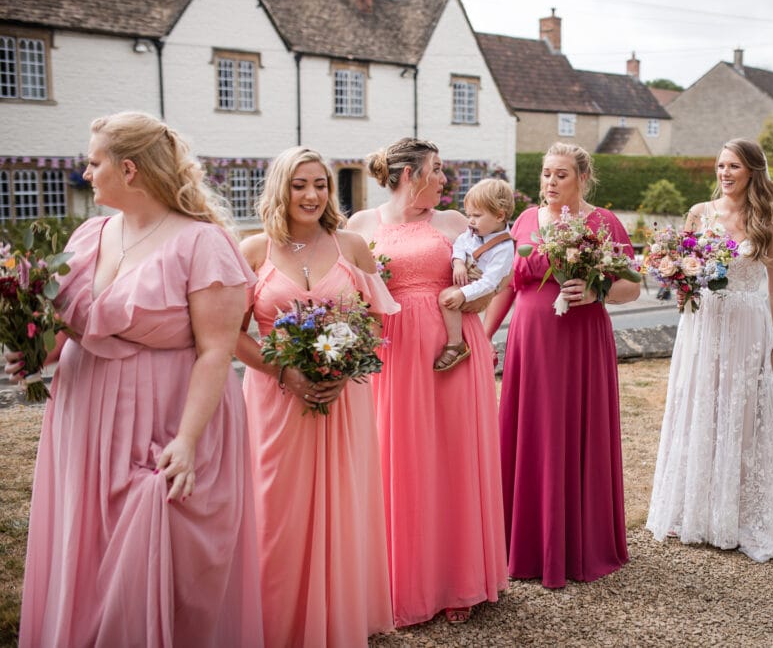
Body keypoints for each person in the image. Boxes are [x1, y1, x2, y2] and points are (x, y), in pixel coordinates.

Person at [5, 112, 264, 646]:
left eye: (93, 162)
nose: (85, 172)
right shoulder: (89, 233)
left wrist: (188, 441)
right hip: (83, 414)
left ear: (129, 170)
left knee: (160, 552)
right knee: (89, 542)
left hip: (168, 416)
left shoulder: (203, 243)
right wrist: (39, 353)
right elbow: (76, 321)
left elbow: (217, 351)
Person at [234, 146, 397, 646]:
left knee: (341, 509)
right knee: (273, 512)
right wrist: (285, 372)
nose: (311, 194)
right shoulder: (253, 251)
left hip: (342, 401)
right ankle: (272, 624)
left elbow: (374, 321)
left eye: (320, 184)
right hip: (272, 400)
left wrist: (345, 372)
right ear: (280, 189)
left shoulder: (352, 246)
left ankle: (333, 621)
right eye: (299, 184)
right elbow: (232, 334)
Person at [346, 137, 507, 626]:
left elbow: (491, 284)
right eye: (436, 170)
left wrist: (473, 299)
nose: (445, 179)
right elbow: (348, 292)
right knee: (399, 459)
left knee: (456, 457)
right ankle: (400, 581)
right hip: (392, 354)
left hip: (453, 351)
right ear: (409, 173)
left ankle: (459, 581)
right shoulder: (360, 226)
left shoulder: (457, 224)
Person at [645, 137, 773, 562]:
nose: (725, 173)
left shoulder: (770, 220)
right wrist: (675, 279)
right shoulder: (699, 214)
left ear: (752, 172)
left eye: (734, 167)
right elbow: (677, 270)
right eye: (721, 165)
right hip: (702, 326)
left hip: (747, 325)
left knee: (741, 416)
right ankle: (694, 511)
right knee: (699, 408)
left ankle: (737, 517)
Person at [483, 142, 640, 589]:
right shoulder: (527, 219)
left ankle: (574, 545)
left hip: (579, 343)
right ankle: (524, 542)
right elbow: (508, 286)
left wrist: (597, 292)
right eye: (546, 174)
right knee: (528, 431)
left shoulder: (603, 222)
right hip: (529, 343)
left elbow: (632, 285)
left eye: (561, 175)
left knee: (572, 431)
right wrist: (485, 332)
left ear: (582, 178)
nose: (550, 183)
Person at [434, 178, 515, 372]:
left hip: (478, 287)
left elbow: (490, 282)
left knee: (446, 299)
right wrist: (458, 262)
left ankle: (456, 344)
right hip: (466, 275)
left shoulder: (503, 248)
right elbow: (460, 245)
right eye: (469, 214)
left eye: (477, 215)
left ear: (499, 215)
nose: (470, 221)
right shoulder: (473, 232)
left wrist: (463, 294)